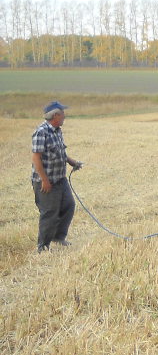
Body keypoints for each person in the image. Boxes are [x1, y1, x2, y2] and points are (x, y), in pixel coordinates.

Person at [31, 101, 83, 253]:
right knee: (50, 213)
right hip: (46, 182)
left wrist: (72, 162)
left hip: (60, 179)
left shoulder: (57, 131)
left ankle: (59, 237)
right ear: (55, 116)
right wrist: (44, 180)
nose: (65, 117)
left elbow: (60, 152)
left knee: (68, 205)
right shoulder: (41, 132)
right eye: (63, 114)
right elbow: (36, 158)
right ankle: (42, 247)